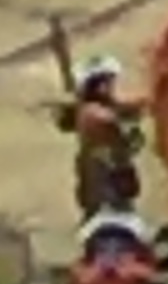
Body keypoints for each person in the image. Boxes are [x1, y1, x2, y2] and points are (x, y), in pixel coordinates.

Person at [56, 55, 146, 218]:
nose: (112, 86)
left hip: (111, 178)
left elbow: (127, 107)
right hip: (104, 181)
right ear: (98, 86)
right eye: (109, 81)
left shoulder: (98, 106)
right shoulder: (93, 113)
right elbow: (116, 121)